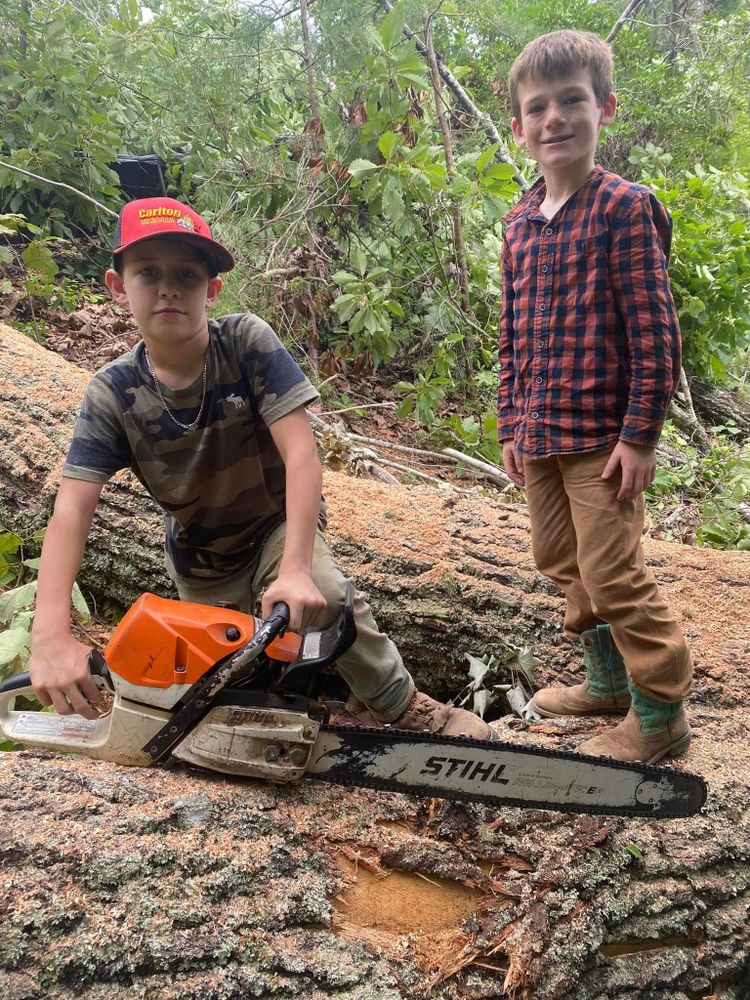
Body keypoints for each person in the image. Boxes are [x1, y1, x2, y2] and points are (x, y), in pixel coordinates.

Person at [28, 196, 493, 742]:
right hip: (201, 564)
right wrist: (48, 633)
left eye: (186, 273)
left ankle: (402, 705)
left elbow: (301, 452)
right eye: (148, 273)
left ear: (213, 288)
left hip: (277, 530)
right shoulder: (112, 392)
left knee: (325, 593)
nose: (169, 287)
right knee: (226, 698)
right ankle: (290, 710)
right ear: (116, 285)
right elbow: (72, 509)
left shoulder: (246, 342)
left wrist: (295, 566)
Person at [498, 31, 693, 764]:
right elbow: (509, 332)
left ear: (604, 108)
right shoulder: (520, 222)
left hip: (602, 440)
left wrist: (640, 435)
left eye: (572, 100)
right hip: (541, 434)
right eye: (537, 107)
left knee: (613, 569)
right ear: (519, 129)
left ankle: (659, 711)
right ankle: (607, 683)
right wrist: (511, 422)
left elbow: (655, 333)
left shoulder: (625, 209)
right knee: (561, 559)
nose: (555, 118)